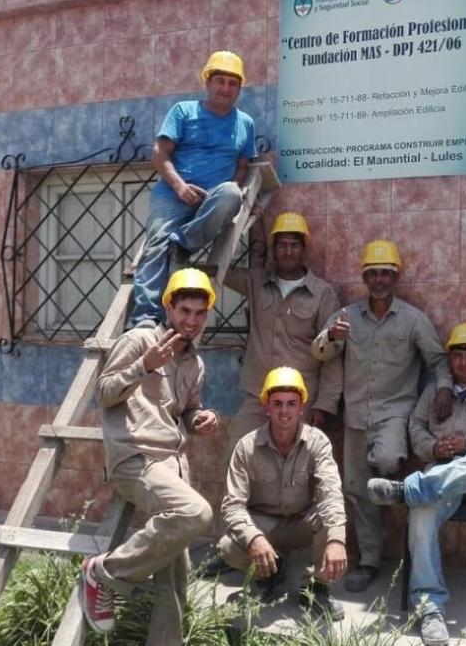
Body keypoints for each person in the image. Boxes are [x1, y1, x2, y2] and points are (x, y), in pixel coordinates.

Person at [80, 268, 220, 642]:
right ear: (169, 308)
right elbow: (104, 392)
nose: (191, 321)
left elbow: (186, 410)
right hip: (136, 459)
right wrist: (145, 366)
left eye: (199, 313)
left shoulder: (195, 363)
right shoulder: (140, 340)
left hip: (174, 467)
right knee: (197, 512)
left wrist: (200, 418)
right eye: (184, 311)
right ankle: (104, 573)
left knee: (176, 576)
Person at [311, 239, 453, 593]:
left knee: (388, 459)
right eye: (372, 273)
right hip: (356, 415)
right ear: (365, 278)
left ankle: (389, 485)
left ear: (395, 276)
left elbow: (438, 361)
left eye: (385, 273)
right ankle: (370, 560)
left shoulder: (412, 319)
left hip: (395, 413)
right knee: (357, 492)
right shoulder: (346, 317)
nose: (379, 280)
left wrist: (446, 388)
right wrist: (330, 336)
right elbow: (318, 350)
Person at [367, 322, 466, 646]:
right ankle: (429, 608)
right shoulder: (435, 390)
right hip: (440, 476)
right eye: (457, 355)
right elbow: (416, 426)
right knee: (421, 513)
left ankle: (408, 489)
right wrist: (433, 447)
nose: (463, 362)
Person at [129, 50, 257, 327]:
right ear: (208, 83)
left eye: (232, 83)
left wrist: (231, 188)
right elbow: (159, 153)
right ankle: (146, 318)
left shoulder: (245, 122)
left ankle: (183, 243)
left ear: (239, 88)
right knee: (155, 246)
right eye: (220, 81)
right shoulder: (183, 111)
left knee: (232, 195)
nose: (226, 88)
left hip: (211, 198)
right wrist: (179, 186)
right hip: (174, 195)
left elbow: (244, 164)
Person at [218, 367, 348, 620]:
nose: (285, 411)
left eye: (291, 404)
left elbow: (331, 493)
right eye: (277, 404)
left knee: (329, 519)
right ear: (267, 406)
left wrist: (337, 541)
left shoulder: (318, 442)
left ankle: (317, 588)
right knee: (228, 548)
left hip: (302, 522)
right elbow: (232, 506)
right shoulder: (246, 447)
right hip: (265, 525)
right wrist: (254, 538)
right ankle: (267, 576)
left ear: (302, 407)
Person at [224, 211, 342, 441]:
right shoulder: (255, 282)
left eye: (294, 245)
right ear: (273, 250)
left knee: (294, 465)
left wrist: (324, 404)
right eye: (282, 245)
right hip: (258, 395)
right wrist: (231, 225)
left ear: (303, 249)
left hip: (300, 398)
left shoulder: (322, 294)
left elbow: (333, 354)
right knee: (236, 452)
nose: (288, 252)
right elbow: (219, 270)